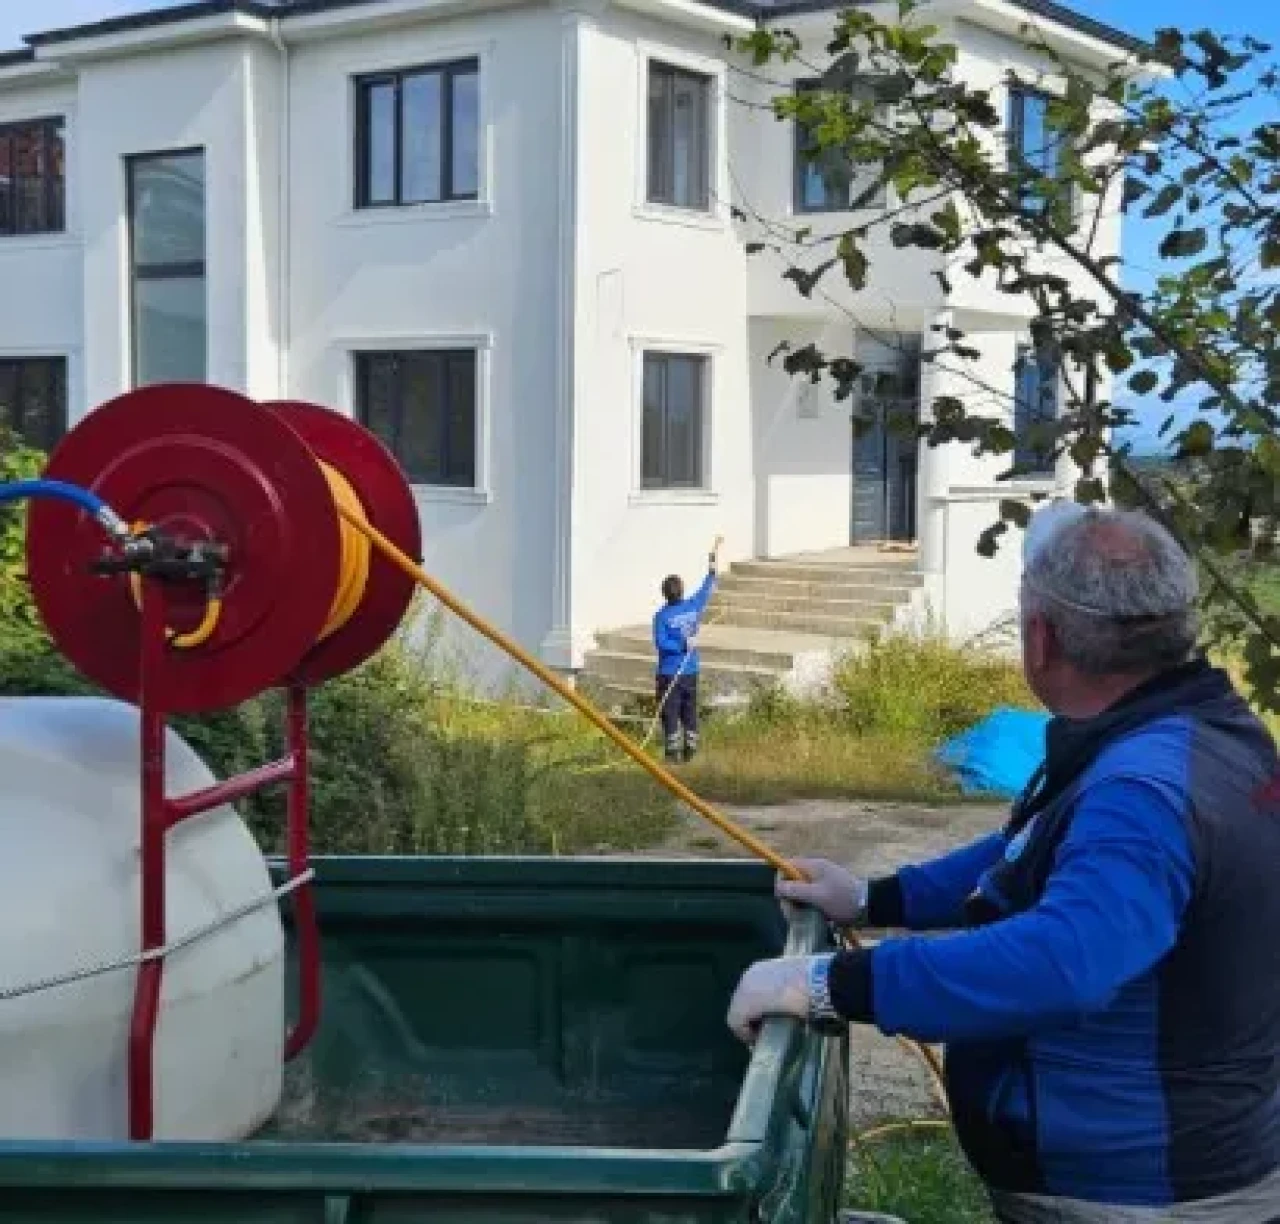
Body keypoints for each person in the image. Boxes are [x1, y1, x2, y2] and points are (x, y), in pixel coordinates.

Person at [727, 505, 1280, 1222]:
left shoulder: (1143, 791)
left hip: (1137, 1196)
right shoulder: (1193, 734)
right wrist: (876, 899)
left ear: (1041, 638)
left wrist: (831, 984)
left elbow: (1063, 960)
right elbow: (1039, 848)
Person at [653, 549, 718, 762]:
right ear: (681, 591)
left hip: (670, 674)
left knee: (670, 712)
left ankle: (673, 754)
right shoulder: (693, 606)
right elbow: (707, 589)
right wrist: (711, 567)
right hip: (690, 671)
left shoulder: (662, 616)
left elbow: (661, 643)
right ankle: (690, 750)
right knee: (688, 711)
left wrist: (679, 644)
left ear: (665, 594)